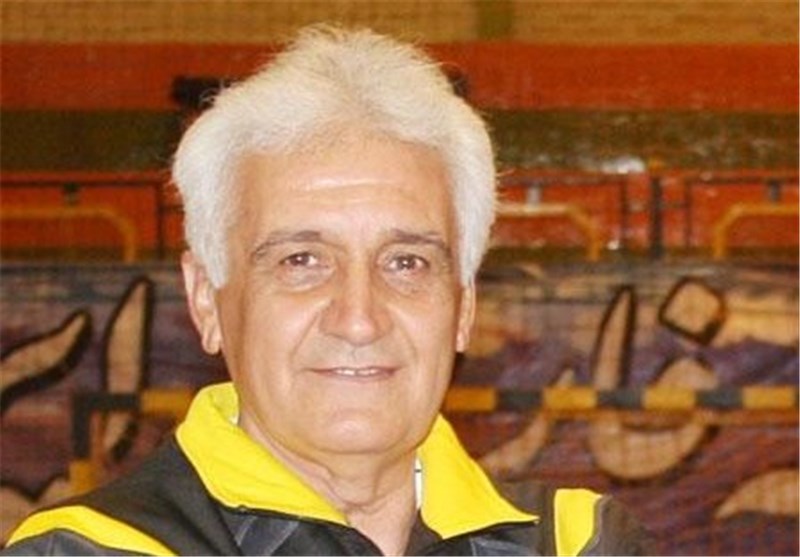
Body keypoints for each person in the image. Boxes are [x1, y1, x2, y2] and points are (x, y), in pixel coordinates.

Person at [3, 24, 652, 556]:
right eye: (302, 260)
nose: (359, 318)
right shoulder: (82, 550)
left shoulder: (578, 543)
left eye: (406, 262)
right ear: (207, 300)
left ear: (464, 307)